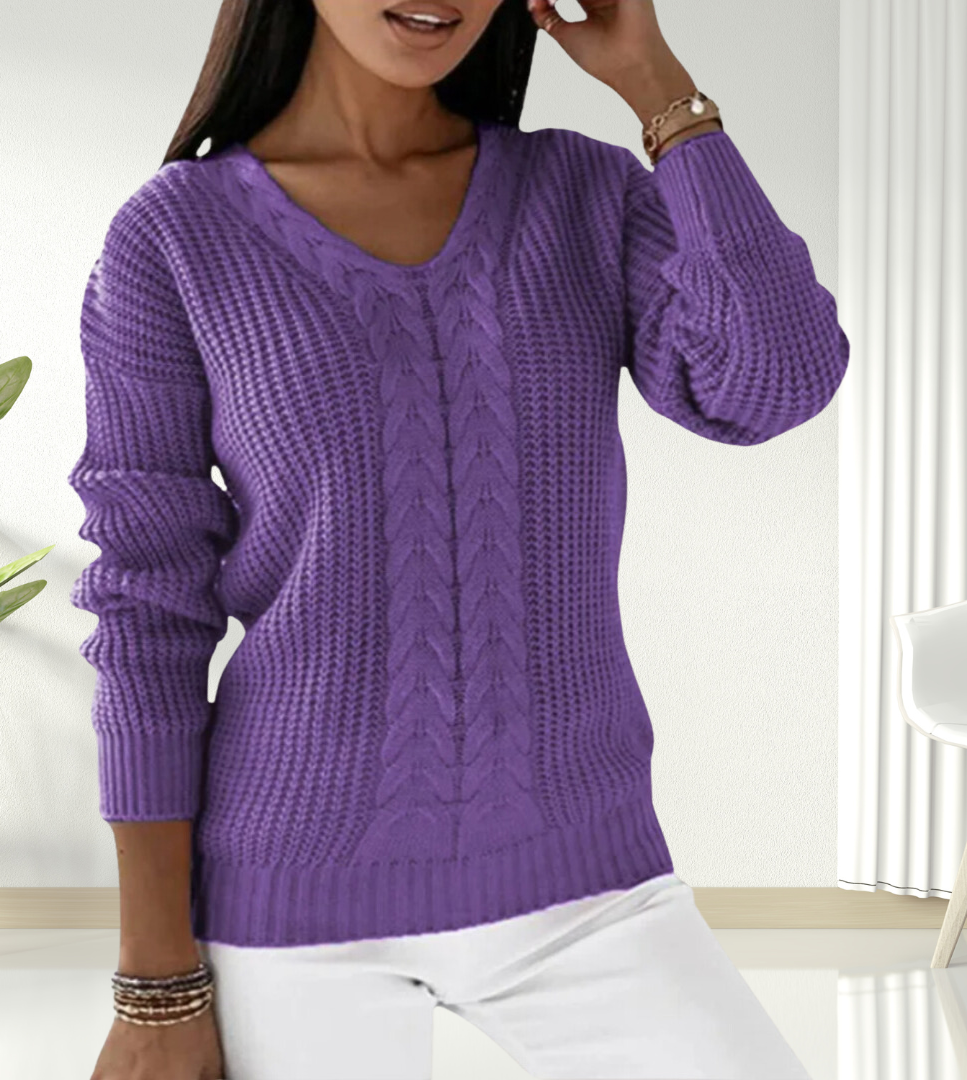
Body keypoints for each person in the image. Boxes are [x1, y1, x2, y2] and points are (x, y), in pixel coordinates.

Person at [71, 1, 849, 1077]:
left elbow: (775, 381)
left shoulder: (581, 195)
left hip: (586, 884)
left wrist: (657, 85)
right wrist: (158, 986)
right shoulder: (173, 237)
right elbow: (148, 609)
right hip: (292, 900)